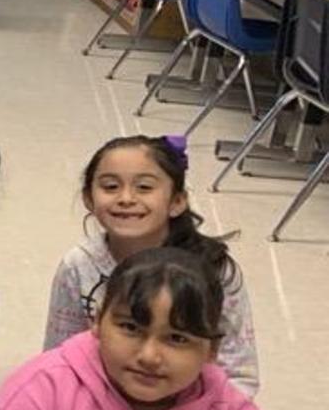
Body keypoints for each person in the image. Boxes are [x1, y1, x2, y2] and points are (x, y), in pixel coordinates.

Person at [0, 247, 281, 410]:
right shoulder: (35, 397)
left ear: (212, 350)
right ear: (98, 321)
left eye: (177, 338)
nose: (149, 357)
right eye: (130, 328)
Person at [44, 135, 259, 396]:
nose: (126, 198)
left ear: (177, 201)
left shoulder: (215, 270)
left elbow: (239, 374)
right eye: (110, 186)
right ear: (89, 199)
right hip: (97, 407)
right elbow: (58, 360)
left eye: (144, 187)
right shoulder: (79, 265)